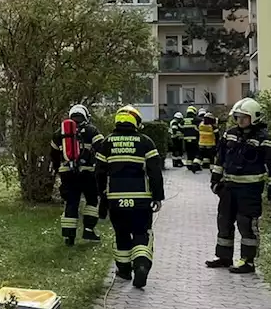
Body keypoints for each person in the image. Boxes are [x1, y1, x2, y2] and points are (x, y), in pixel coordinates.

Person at [206, 97, 271, 274]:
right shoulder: (230, 133)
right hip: (229, 187)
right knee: (224, 221)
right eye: (238, 117)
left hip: (250, 190)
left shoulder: (265, 139)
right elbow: (220, 159)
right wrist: (215, 181)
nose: (240, 121)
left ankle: (248, 261)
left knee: (245, 224)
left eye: (244, 117)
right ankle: (224, 257)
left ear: (254, 118)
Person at [96, 105, 165, 289]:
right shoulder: (146, 142)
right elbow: (155, 172)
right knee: (142, 232)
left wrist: (102, 196)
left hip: (116, 200)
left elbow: (100, 173)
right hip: (141, 200)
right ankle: (141, 264)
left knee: (122, 234)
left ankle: (124, 271)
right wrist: (158, 197)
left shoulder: (107, 142)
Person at [49, 104, 105, 246]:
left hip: (67, 174)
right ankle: (88, 230)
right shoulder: (92, 130)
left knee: (71, 203)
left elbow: (53, 154)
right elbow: (102, 148)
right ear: (86, 116)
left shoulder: (59, 132)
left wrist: (57, 169)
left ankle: (69, 237)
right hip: (88, 173)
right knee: (92, 201)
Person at [194, 109, 218, 174]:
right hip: (210, 144)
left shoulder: (200, 124)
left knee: (199, 156)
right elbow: (217, 135)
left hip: (201, 143)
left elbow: (197, 133)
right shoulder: (212, 126)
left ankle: (195, 165)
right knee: (211, 158)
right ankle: (212, 169)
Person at [181, 105, 200, 172]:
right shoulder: (196, 119)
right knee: (195, 152)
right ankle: (195, 166)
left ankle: (189, 165)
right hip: (194, 139)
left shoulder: (183, 120)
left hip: (186, 139)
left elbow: (180, 127)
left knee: (189, 153)